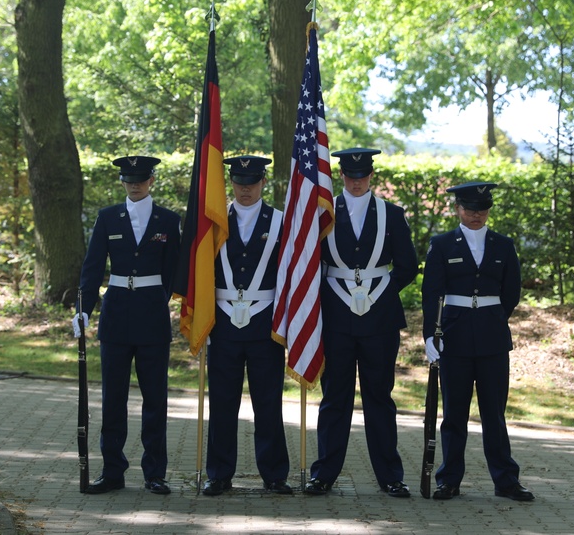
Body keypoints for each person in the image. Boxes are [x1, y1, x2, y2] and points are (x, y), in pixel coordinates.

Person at [304, 147, 419, 498]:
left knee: (379, 398)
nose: (357, 182)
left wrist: (380, 293)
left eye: (362, 176)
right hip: (336, 317)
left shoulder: (392, 214)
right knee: (334, 398)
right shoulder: (323, 213)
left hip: (380, 321)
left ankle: (390, 477)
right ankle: (323, 474)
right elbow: (309, 264)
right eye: (350, 177)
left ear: (371, 176)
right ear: (341, 177)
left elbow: (408, 266)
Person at [421, 181, 534, 502]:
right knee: (454, 414)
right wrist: (430, 335)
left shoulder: (503, 244)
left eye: (482, 210)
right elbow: (432, 293)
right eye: (470, 210)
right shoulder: (441, 244)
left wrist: (493, 318)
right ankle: (449, 479)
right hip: (454, 337)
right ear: (458, 209)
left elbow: (511, 292)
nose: (476, 215)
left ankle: (506, 480)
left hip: (492, 338)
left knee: (494, 415)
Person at [75, 155, 181, 496]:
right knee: (113, 398)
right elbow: (93, 267)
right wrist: (84, 310)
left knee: (155, 399)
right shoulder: (107, 217)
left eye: (140, 178)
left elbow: (172, 270)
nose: (134, 183)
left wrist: (155, 299)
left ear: (151, 180)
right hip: (117, 314)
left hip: (151, 315)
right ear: (122, 181)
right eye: (128, 178)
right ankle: (112, 471)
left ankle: (155, 473)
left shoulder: (168, 219)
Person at [202, 156, 293, 496]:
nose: (245, 188)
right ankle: (219, 473)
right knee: (222, 402)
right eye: (239, 182)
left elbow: (290, 273)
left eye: (251, 182)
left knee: (268, 402)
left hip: (264, 323)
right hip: (223, 321)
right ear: (231, 183)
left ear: (262, 183)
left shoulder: (281, 222)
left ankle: (274, 474)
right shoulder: (212, 220)